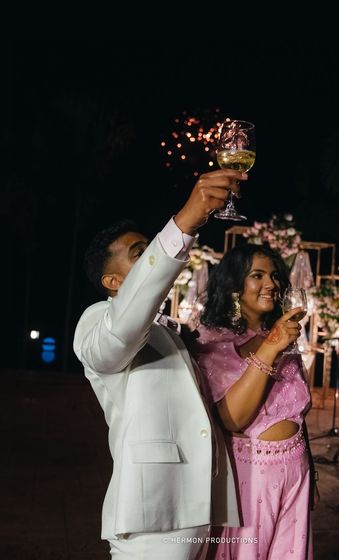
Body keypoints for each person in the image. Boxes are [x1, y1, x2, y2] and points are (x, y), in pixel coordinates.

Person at [73, 169, 246, 559]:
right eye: (140, 254)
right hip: (153, 515)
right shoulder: (98, 321)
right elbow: (117, 337)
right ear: (113, 282)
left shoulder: (167, 331)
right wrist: (184, 223)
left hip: (197, 509)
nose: (152, 256)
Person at [193, 243, 317, 560]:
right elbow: (232, 420)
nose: (271, 284)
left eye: (274, 276)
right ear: (234, 285)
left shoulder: (280, 337)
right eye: (257, 275)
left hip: (295, 474)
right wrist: (268, 349)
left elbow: (299, 408)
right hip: (250, 479)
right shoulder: (213, 341)